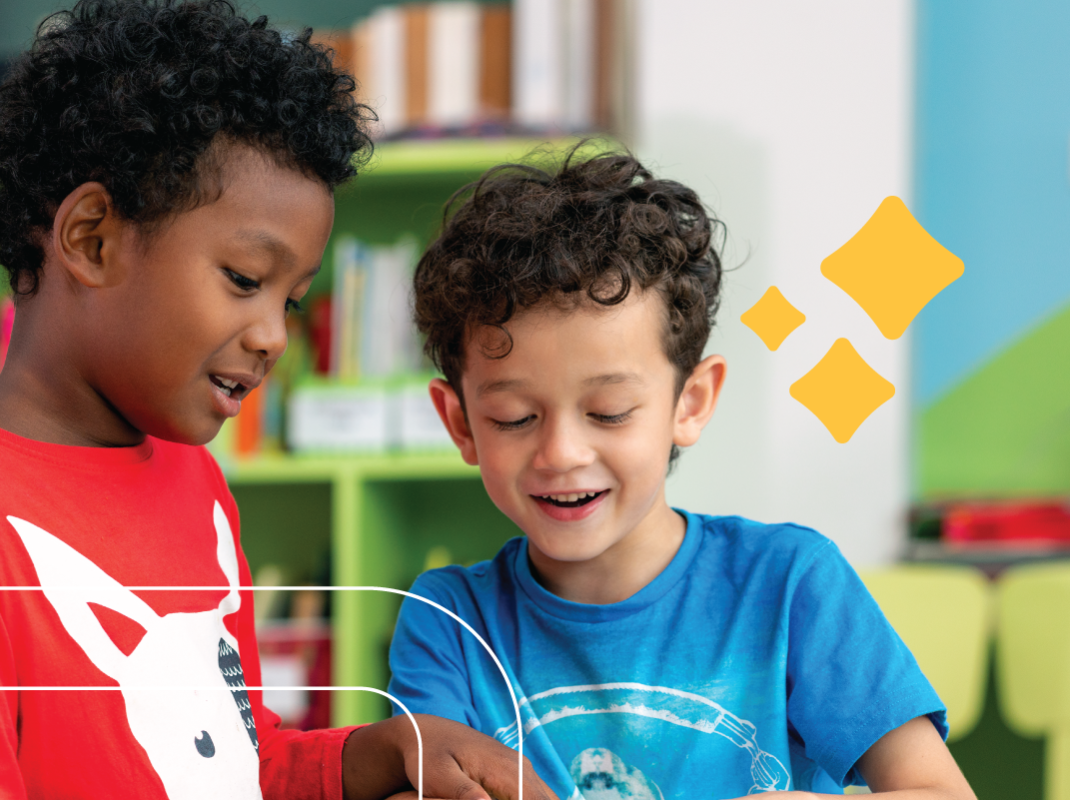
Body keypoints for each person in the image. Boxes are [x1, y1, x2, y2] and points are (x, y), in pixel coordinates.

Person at [0, 2, 555, 799]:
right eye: (243, 280)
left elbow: (227, 760)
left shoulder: (196, 482)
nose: (272, 337)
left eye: (292, 302)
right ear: (92, 238)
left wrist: (379, 752)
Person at [386, 146, 977, 800]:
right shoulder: (449, 620)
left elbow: (940, 792)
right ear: (461, 422)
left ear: (689, 404)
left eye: (608, 412)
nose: (561, 453)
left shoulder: (789, 584)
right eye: (515, 417)